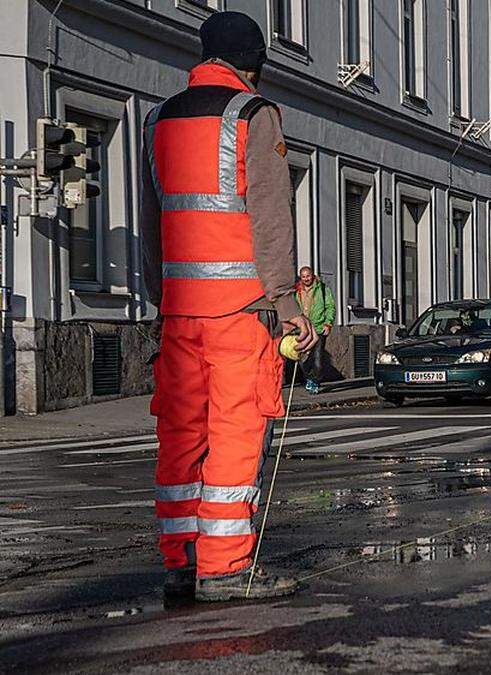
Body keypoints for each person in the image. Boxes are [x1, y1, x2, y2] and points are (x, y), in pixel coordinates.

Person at [140, 11, 318, 603]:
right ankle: (225, 567)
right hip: (240, 312)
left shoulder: (155, 121)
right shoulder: (253, 115)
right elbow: (269, 220)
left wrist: (159, 298)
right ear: (254, 66)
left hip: (179, 311)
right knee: (236, 435)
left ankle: (180, 563)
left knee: (182, 438)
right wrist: (290, 307)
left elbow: (153, 226)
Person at [295, 266, 334, 394]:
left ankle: (314, 380)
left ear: (312, 275)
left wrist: (328, 324)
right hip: (302, 329)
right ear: (301, 277)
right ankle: (309, 378)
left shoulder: (322, 289)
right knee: (302, 357)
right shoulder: (297, 290)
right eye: (304, 276)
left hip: (318, 328)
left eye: (308, 276)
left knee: (317, 360)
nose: (306, 278)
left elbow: (330, 307)